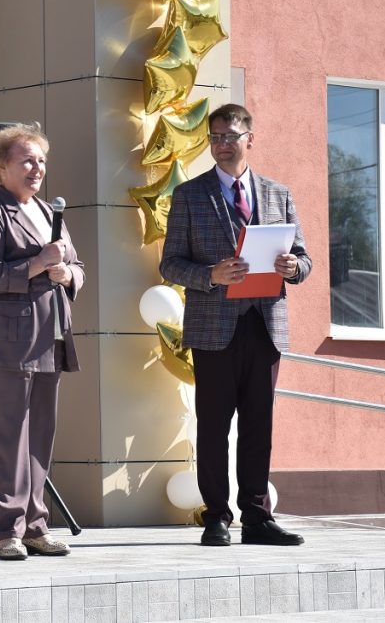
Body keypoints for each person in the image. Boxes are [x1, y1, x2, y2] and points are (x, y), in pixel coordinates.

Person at [159, 103, 311, 547]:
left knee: (259, 426)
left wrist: (293, 267)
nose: (222, 145)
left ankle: (258, 518)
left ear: (250, 139)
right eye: (215, 138)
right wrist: (211, 274)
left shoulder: (279, 194)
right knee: (213, 426)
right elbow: (170, 264)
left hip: (264, 325)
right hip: (214, 327)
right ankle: (217, 517)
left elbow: (304, 259)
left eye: (230, 136)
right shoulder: (189, 195)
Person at [0, 124, 85, 560]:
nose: (37, 168)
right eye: (27, 160)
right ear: (1, 168)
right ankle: (8, 531)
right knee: (7, 438)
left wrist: (68, 274)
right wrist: (37, 263)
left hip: (50, 335)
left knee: (39, 436)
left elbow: (75, 265)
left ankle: (36, 526)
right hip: (6, 340)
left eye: (41, 160)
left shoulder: (50, 213)